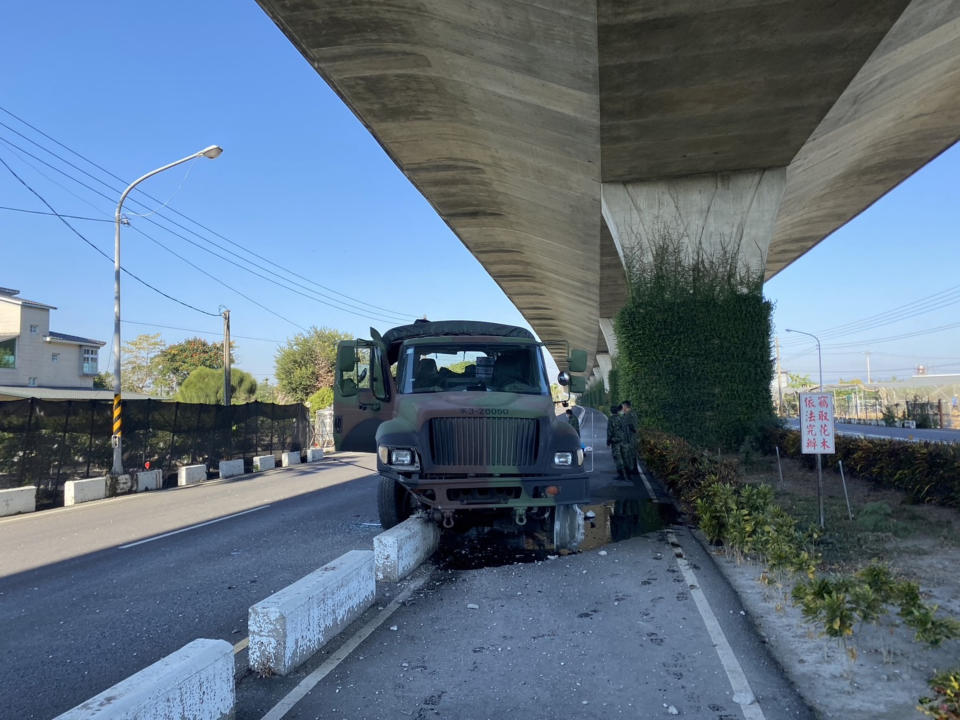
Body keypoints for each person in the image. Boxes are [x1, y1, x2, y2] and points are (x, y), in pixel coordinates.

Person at [606, 405, 629, 480]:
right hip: (623, 440)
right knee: (624, 456)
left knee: (617, 457)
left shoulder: (611, 419)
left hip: (615, 441)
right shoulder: (621, 417)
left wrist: (608, 441)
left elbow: (610, 431)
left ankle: (621, 475)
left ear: (611, 411)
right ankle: (628, 474)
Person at [619, 400, 638, 477]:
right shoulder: (627, 414)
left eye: (623, 406)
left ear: (626, 406)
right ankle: (633, 469)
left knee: (631, 454)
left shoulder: (631, 415)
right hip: (628, 438)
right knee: (630, 454)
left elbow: (633, 427)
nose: (622, 408)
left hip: (630, 438)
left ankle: (633, 470)